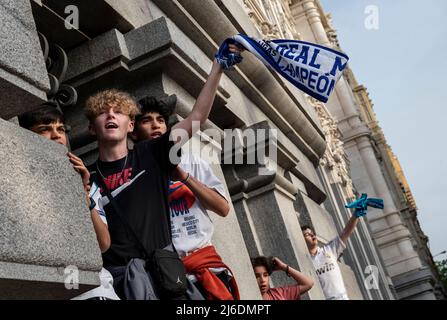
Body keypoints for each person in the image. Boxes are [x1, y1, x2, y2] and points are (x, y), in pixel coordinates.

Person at [84, 45, 243, 300]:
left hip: (167, 279)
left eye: (118, 112)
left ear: (130, 125)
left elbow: (197, 117)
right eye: (102, 112)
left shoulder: (153, 153)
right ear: (92, 128)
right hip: (121, 284)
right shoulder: (86, 176)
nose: (111, 115)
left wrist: (217, 69)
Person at [130, 96, 239, 300]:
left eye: (160, 120)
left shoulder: (192, 161)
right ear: (133, 132)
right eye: (147, 120)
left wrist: (184, 177)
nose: (155, 125)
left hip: (205, 266)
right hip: (165, 275)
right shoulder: (133, 172)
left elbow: (223, 208)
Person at [18, 104, 119, 300]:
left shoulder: (85, 182)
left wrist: (82, 194)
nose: (56, 136)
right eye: (44, 129)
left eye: (61, 129)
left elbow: (103, 244)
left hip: (97, 291)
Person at [301, 216, 361, 300]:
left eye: (312, 233)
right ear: (301, 239)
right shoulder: (304, 263)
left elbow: (346, 232)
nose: (312, 235)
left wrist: (356, 215)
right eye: (307, 234)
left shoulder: (329, 250)